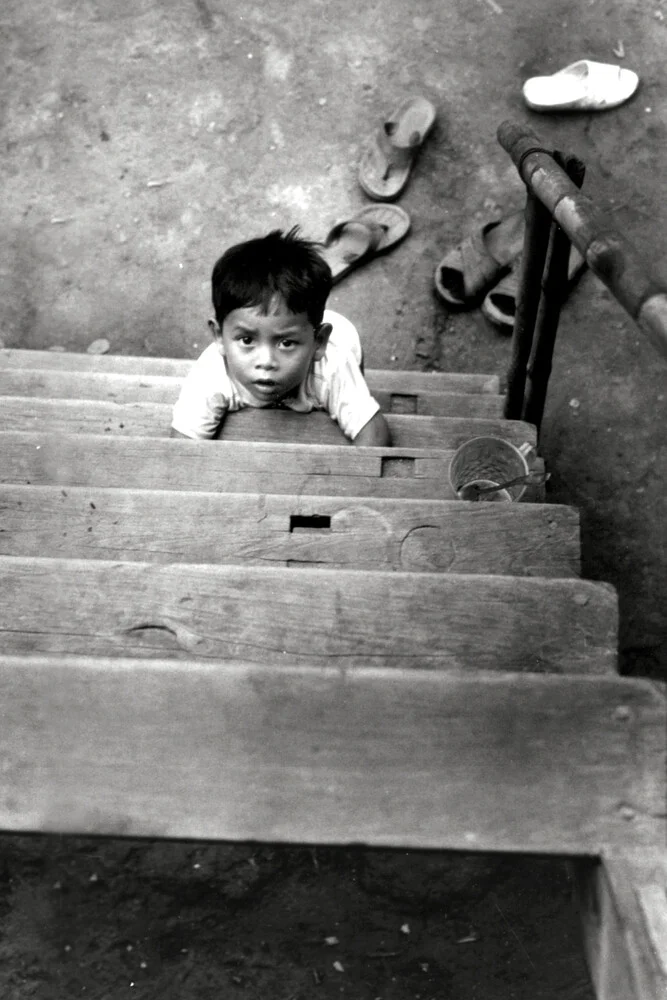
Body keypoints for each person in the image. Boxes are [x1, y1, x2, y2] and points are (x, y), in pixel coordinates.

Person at [170, 227, 391, 446]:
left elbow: (375, 436)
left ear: (319, 343)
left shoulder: (332, 366)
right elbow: (181, 447)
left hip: (344, 341)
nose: (266, 362)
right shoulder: (211, 374)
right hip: (300, 327)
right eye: (247, 340)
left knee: (352, 394)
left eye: (286, 343)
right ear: (219, 336)